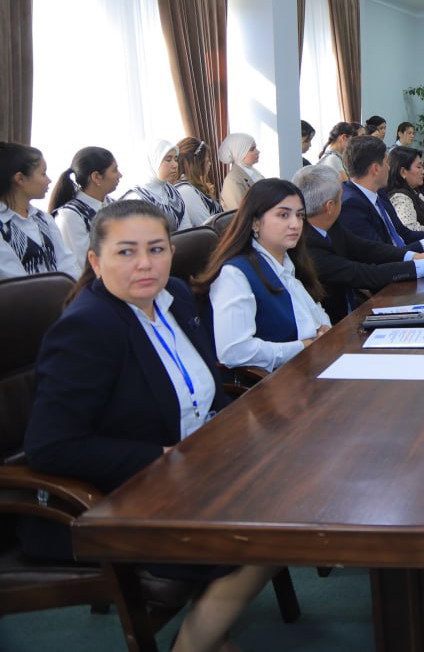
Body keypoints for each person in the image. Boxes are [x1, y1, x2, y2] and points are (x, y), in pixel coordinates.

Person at [22, 199, 276, 652]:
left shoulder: (174, 295)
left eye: (157, 249)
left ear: (171, 253)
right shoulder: (88, 328)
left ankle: (210, 633)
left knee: (292, 492)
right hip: (115, 495)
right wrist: (165, 459)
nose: (145, 263)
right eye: (126, 252)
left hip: (194, 472)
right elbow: (50, 447)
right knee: (267, 532)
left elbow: (206, 391)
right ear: (95, 261)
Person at [294, 165, 424, 321]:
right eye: (341, 195)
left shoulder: (329, 225)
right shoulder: (308, 244)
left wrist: (415, 257)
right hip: (333, 326)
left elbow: (368, 248)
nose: (344, 198)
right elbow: (364, 274)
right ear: (329, 206)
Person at [194, 179, 331, 371]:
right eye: (283, 215)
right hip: (276, 380)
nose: (295, 224)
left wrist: (324, 329)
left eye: (299, 215)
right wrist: (302, 347)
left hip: (310, 365)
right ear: (255, 223)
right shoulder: (234, 274)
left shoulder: (289, 260)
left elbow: (316, 310)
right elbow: (234, 352)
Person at [339, 135, 424, 251]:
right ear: (376, 169)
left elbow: (404, 233)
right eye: (387, 163)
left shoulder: (379, 193)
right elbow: (381, 254)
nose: (389, 168)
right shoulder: (351, 205)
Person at [1, 142, 79, 279]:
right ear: (20, 179)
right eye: (43, 174)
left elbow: (67, 263)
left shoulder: (43, 218)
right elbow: (14, 280)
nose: (49, 180)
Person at [49, 145, 121, 276]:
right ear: (96, 177)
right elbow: (80, 266)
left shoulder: (113, 204)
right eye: (114, 170)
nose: (120, 175)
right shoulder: (70, 216)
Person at [120, 139, 194, 232]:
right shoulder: (136, 198)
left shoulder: (172, 191)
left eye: (176, 159)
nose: (175, 165)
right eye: (168, 160)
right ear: (152, 161)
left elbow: (186, 229)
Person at [174, 137, 224, 225]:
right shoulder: (186, 191)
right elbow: (207, 226)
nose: (210, 164)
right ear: (197, 163)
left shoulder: (191, 187)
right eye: (207, 160)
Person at [217, 133, 263, 211]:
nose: (258, 151)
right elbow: (239, 213)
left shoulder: (253, 172)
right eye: (252, 149)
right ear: (240, 153)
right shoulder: (232, 180)